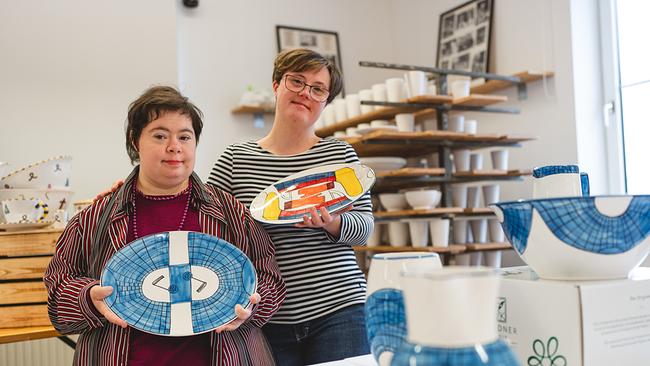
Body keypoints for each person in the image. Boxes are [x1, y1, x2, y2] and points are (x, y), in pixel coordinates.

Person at [43, 86, 286, 366]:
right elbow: (57, 295)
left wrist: (253, 304)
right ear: (135, 141)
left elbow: (270, 276)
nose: (175, 146)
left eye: (185, 136)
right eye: (160, 135)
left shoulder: (230, 211)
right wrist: (88, 298)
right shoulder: (95, 218)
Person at [208, 48, 373, 365]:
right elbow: (203, 221)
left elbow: (365, 229)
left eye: (317, 89)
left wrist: (331, 223)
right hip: (267, 317)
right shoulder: (235, 160)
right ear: (276, 85)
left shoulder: (340, 157)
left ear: (325, 101)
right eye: (296, 81)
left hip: (340, 309)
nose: (305, 93)